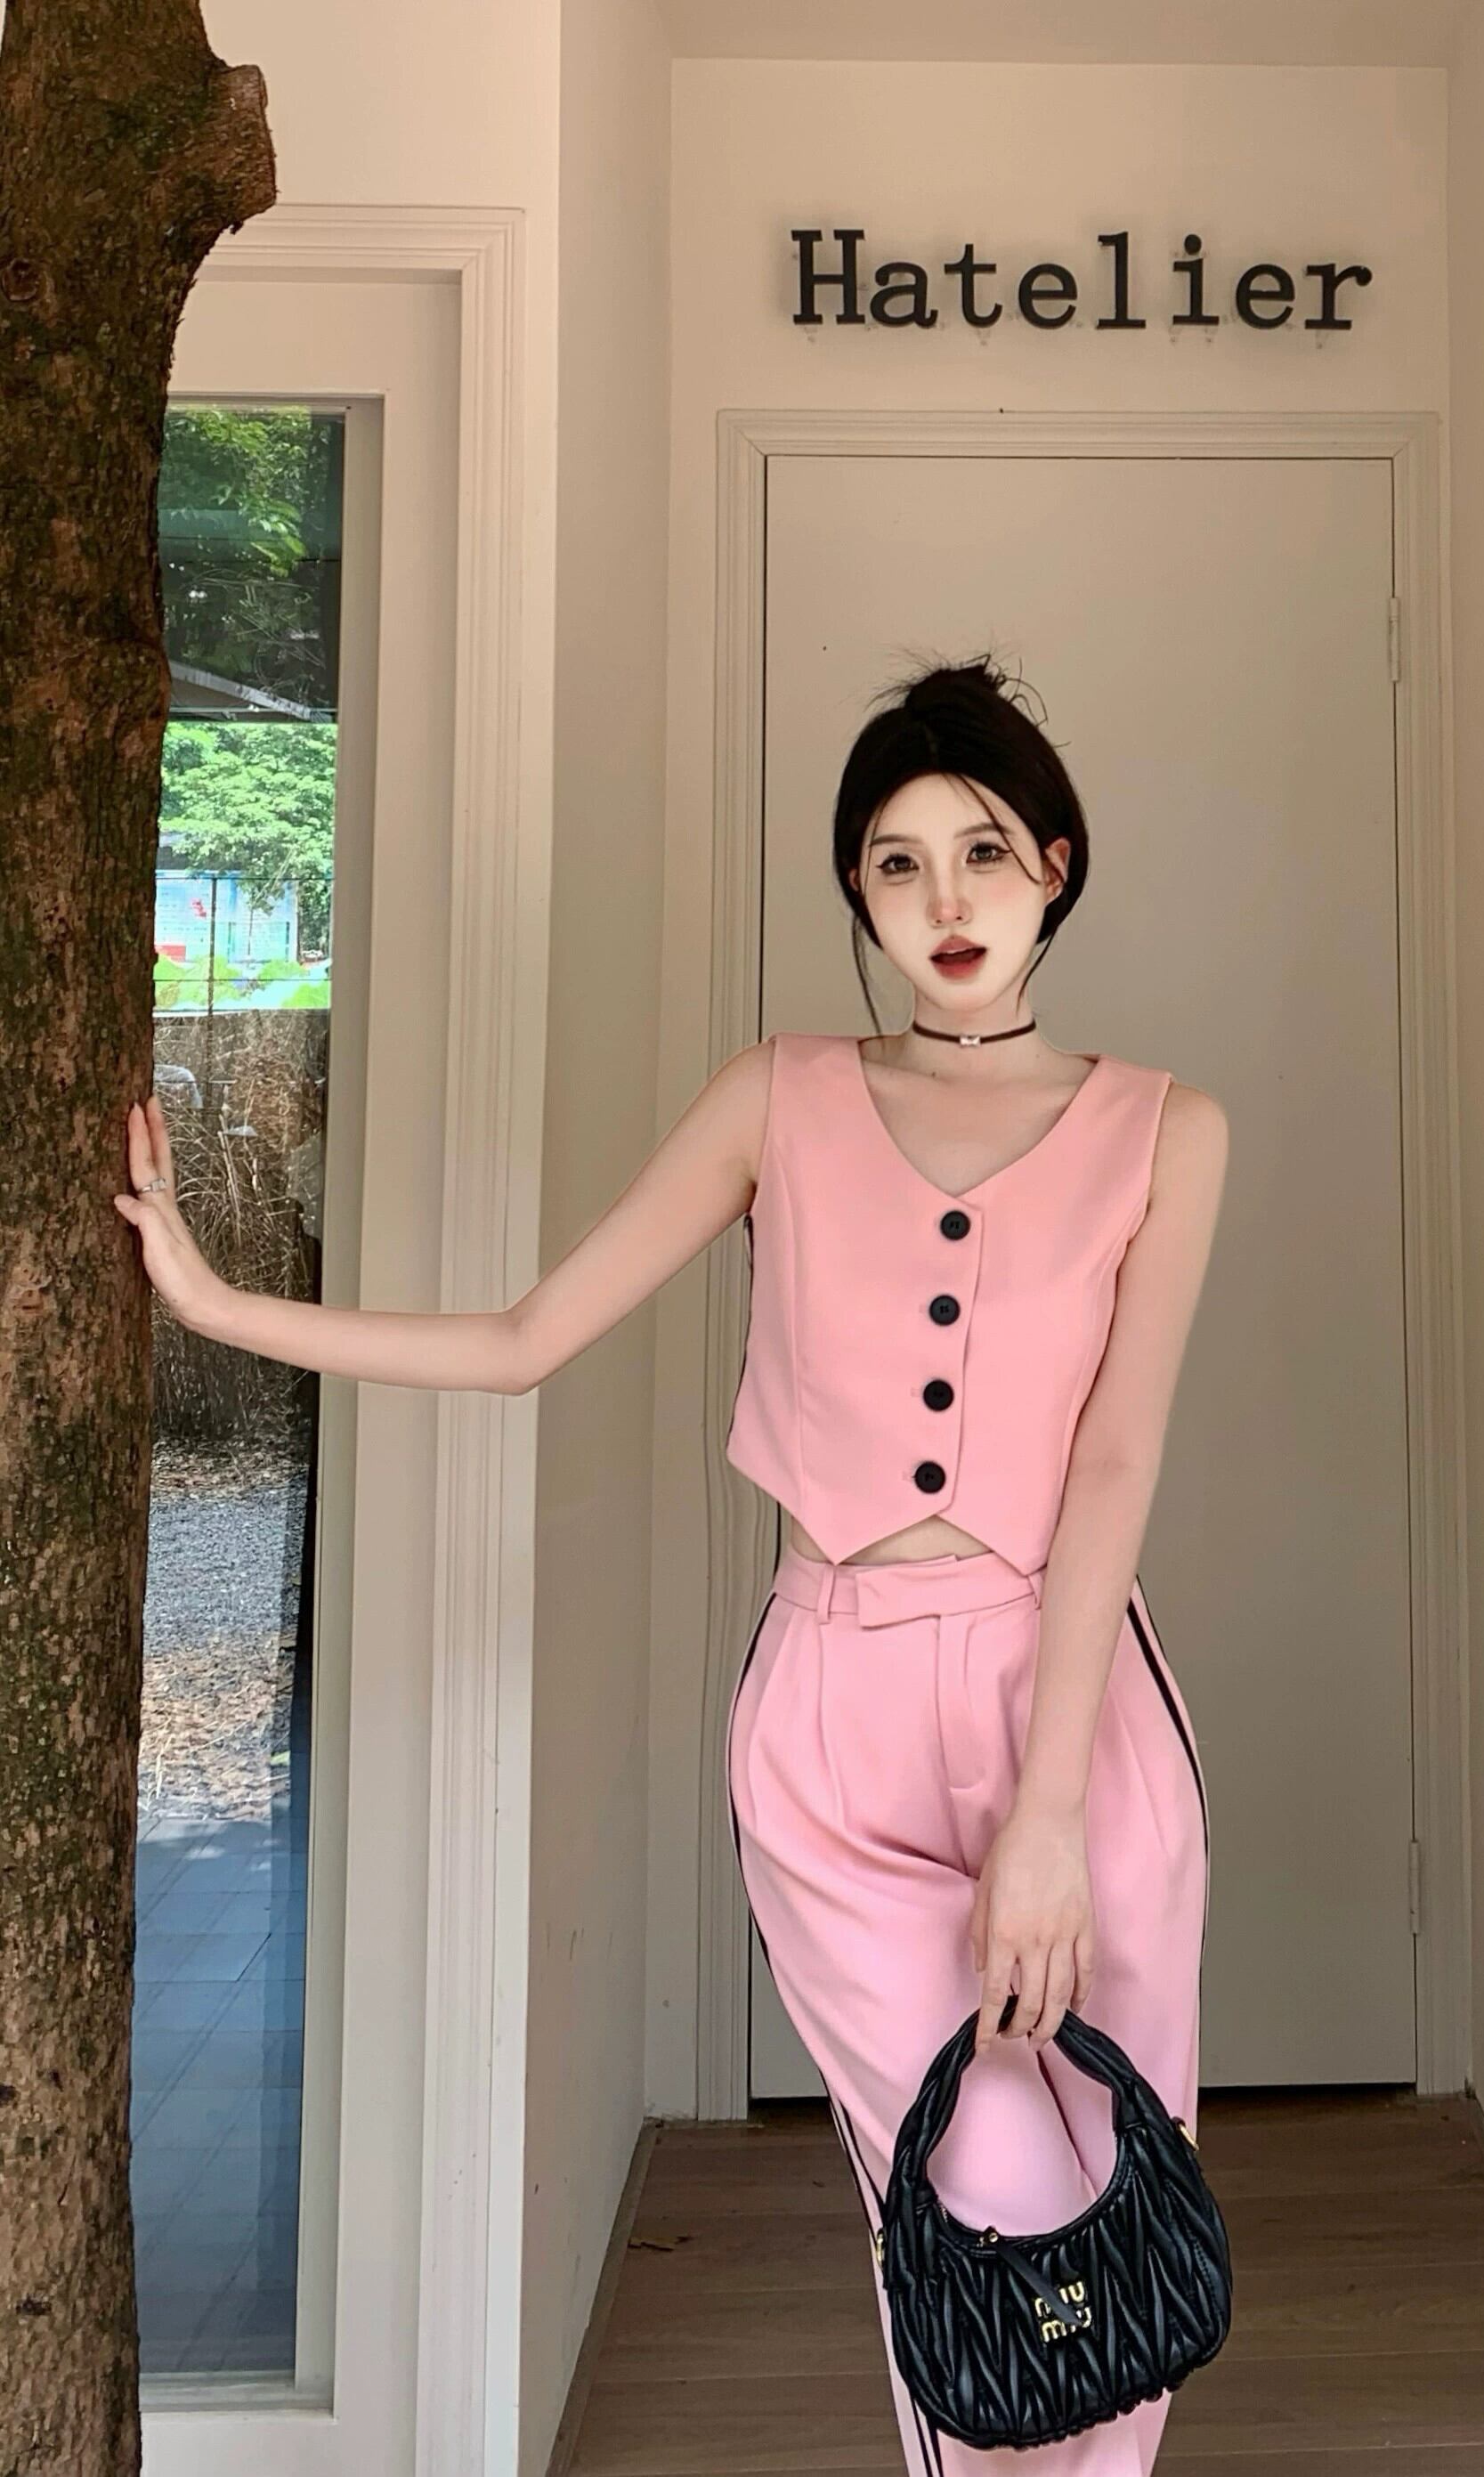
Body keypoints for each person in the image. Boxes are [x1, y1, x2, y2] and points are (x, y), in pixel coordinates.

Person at [116, 654, 1229, 2473]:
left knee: (1114, 2190)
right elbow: (527, 1335)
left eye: (980, 851)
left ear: (1055, 861)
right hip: (833, 1717)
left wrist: (1047, 1814)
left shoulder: (1167, 1129)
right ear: (855, 890)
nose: (943, 900)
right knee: (970, 2198)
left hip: (1077, 1707)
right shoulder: (775, 1096)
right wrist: (226, 1305)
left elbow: (1112, 1466)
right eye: (894, 863)